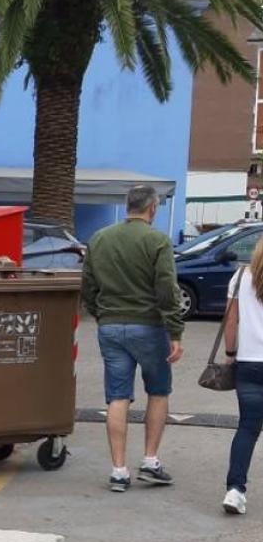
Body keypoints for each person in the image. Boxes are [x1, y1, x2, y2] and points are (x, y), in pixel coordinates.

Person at [82, 185, 183, 492]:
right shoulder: (157, 240)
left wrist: (102, 314)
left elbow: (87, 285)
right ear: (152, 208)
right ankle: (150, 462)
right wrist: (175, 331)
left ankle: (118, 470)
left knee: (117, 396)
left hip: (110, 327)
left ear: (128, 206)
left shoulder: (100, 238)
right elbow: (166, 288)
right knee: (158, 391)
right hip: (149, 327)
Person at [220, 240, 263, 514]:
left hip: (248, 363)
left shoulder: (240, 277)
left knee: (247, 427)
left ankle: (235, 491)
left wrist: (231, 351)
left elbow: (231, 319)